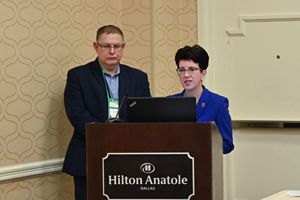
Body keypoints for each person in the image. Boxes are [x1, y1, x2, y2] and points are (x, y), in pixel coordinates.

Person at [63, 25, 151, 200]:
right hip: (89, 157)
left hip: (129, 157)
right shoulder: (78, 76)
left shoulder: (138, 77)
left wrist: (124, 136)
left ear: (123, 47)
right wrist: (107, 135)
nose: (112, 51)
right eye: (106, 46)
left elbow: (145, 114)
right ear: (96, 47)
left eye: (117, 46)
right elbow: (76, 114)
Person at [168, 44, 234, 154]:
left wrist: (199, 143)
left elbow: (227, 144)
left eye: (192, 69)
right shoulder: (170, 102)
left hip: (203, 165)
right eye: (182, 70)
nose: (186, 75)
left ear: (203, 74)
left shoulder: (218, 103)